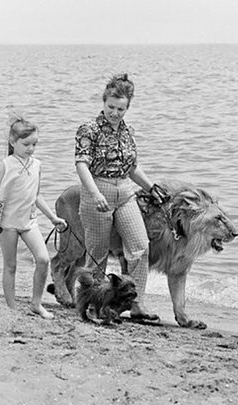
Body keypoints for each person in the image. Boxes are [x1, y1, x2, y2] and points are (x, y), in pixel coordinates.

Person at [75, 73, 163, 322]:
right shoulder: (88, 129)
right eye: (111, 107)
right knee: (97, 254)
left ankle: (136, 305)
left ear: (128, 107)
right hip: (97, 189)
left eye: (121, 109)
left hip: (125, 191)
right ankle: (93, 306)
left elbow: (133, 168)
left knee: (140, 246)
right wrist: (94, 193)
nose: (115, 113)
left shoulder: (128, 132)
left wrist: (151, 187)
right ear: (104, 102)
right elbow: (81, 164)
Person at [0, 116, 67, 319]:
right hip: (7, 223)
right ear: (13, 142)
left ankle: (36, 303)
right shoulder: (6, 164)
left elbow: (36, 195)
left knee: (44, 259)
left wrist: (53, 217)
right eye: (26, 144)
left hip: (29, 221)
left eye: (34, 144)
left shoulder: (37, 164)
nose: (31, 148)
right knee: (10, 266)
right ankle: (11, 308)